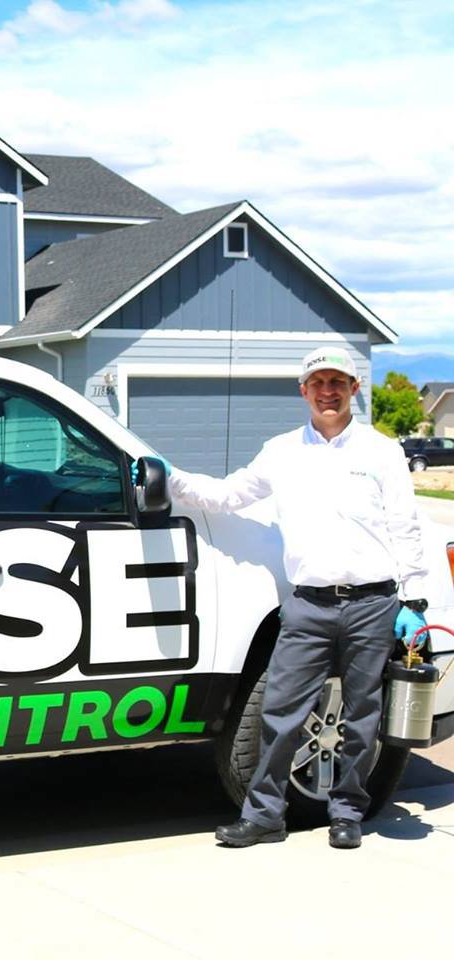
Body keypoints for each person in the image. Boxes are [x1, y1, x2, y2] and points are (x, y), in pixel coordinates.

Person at [167, 347, 429, 849]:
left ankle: (348, 812)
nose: (327, 391)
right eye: (318, 383)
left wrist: (413, 602)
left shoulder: (381, 451)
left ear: (355, 389)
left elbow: (405, 527)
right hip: (308, 605)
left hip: (373, 605)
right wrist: (170, 477)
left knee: (361, 716)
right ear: (303, 391)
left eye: (337, 382)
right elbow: (228, 494)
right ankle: (265, 816)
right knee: (280, 713)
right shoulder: (281, 451)